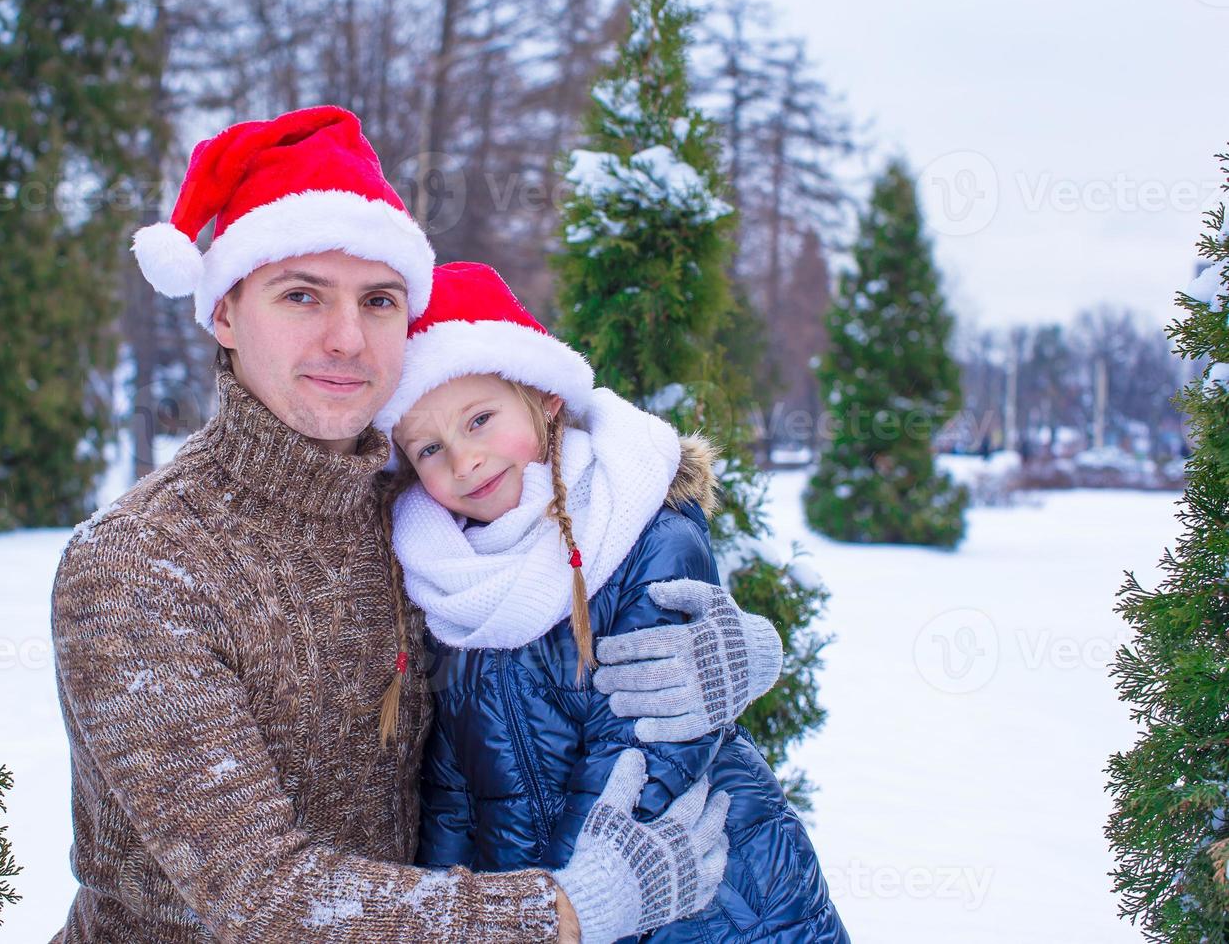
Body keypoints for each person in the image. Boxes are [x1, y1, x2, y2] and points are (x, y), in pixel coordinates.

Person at [49, 107, 784, 941]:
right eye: (301, 296)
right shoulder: (142, 566)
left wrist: (736, 657)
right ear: (223, 312)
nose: (347, 339)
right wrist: (565, 914)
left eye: (380, 300)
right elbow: (261, 897)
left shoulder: (424, 506)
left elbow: (550, 629)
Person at [378, 261, 849, 941]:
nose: (465, 460)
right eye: (429, 448)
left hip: (704, 893)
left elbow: (646, 744)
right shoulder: (446, 582)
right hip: (562, 910)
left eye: (480, 419)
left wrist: (572, 901)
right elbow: (451, 791)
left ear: (544, 397)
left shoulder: (640, 530)